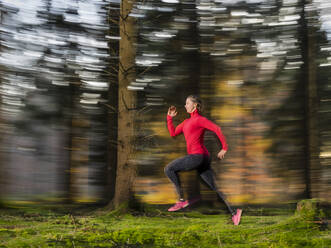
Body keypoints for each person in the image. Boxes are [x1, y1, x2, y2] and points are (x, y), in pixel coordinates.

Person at [165, 95, 242, 225]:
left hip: (198, 156)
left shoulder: (199, 120)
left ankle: (182, 199)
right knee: (214, 187)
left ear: (194, 105)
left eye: (187, 103)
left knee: (169, 169)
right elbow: (173, 133)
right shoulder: (185, 123)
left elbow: (217, 129)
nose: (185, 106)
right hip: (204, 159)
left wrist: (224, 148)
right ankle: (234, 213)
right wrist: (169, 118)